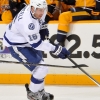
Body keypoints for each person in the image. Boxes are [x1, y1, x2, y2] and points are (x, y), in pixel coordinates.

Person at [3, 0, 70, 99]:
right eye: (39, 10)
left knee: (42, 69)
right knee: (41, 68)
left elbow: (41, 19)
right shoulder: (27, 23)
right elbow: (37, 44)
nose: (42, 13)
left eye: (43, 10)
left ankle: (40, 92)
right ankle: (33, 94)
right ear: (32, 8)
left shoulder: (38, 9)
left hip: (26, 40)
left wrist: (43, 28)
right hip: (16, 44)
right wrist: (56, 49)